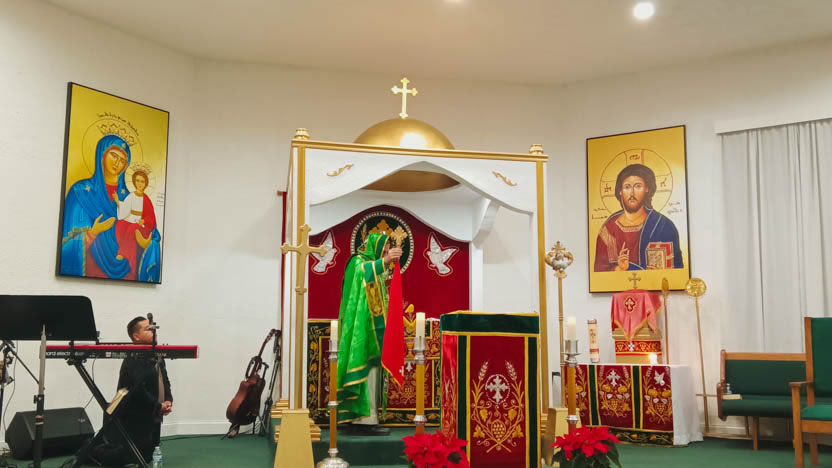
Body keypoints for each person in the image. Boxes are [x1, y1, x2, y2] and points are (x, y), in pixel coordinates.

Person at [60, 135, 163, 282]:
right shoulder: (81, 192)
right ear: (102, 154)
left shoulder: (131, 197)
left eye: (122, 161)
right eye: (114, 155)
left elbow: (153, 236)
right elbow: (65, 246)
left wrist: (147, 241)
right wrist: (92, 233)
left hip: (128, 274)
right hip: (89, 275)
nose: (117, 163)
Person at [335, 232, 402, 435]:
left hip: (371, 331)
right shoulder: (357, 262)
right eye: (384, 248)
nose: (386, 251)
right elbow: (361, 273)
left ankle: (362, 417)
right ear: (374, 246)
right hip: (359, 332)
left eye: (387, 248)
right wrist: (385, 261)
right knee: (366, 373)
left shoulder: (375, 269)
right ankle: (365, 420)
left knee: (372, 373)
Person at [99, 317, 173, 464]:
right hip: (132, 416)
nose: (153, 331)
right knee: (124, 457)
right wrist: (158, 406)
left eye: (153, 328)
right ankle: (89, 451)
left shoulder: (157, 354)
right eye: (148, 329)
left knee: (147, 456)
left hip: (150, 414)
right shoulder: (132, 357)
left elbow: (164, 380)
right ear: (136, 336)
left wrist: (168, 400)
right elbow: (138, 391)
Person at [594, 164, 683, 272]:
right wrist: (619, 269)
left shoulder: (663, 226)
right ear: (620, 191)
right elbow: (599, 273)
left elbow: (677, 271)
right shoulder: (609, 229)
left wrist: (659, 273)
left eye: (638, 186)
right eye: (627, 187)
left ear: (647, 189)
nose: (632, 193)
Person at [114, 169, 158, 280]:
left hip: (142, 226)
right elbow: (125, 210)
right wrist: (118, 202)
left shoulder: (146, 199)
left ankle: (124, 254)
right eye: (137, 180)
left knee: (133, 228)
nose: (139, 183)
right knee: (120, 225)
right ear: (134, 182)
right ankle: (125, 251)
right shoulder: (131, 196)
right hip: (130, 219)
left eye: (142, 181)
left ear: (146, 183)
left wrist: (144, 221)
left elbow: (151, 217)